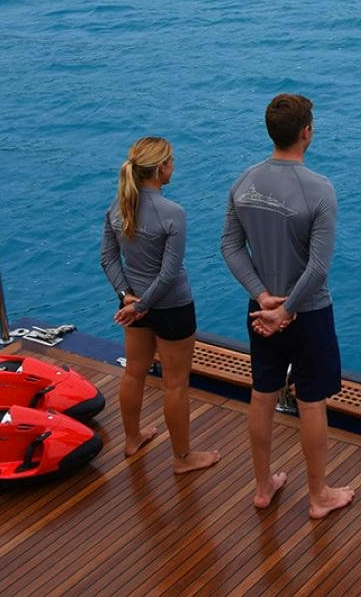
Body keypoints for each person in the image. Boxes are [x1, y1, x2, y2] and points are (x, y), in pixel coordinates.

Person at [221, 93, 355, 519]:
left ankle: (263, 487)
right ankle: (318, 496)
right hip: (308, 311)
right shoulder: (320, 189)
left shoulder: (244, 183)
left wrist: (263, 296)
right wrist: (287, 308)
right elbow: (318, 267)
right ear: (306, 133)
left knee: (262, 395)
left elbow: (230, 247)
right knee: (311, 402)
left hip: (260, 312)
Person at [100, 136, 220, 475]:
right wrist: (141, 306)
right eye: (170, 162)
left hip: (134, 302)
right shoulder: (172, 213)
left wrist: (127, 296)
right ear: (159, 169)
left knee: (134, 371)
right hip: (171, 307)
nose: (173, 167)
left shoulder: (118, 207)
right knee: (176, 383)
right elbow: (168, 274)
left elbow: (108, 258)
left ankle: (132, 438)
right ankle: (183, 458)